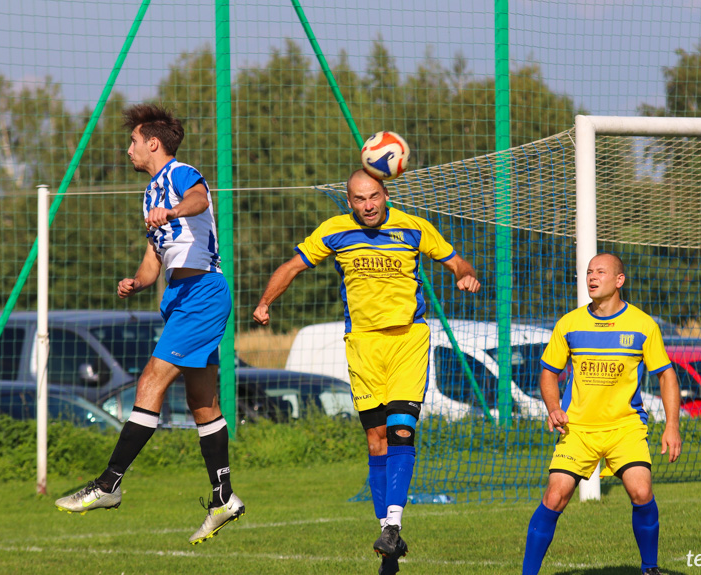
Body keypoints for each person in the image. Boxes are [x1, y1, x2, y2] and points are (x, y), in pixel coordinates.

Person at [253, 169, 480, 575]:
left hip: (408, 339)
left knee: (401, 429)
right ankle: (388, 543)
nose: (368, 205)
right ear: (350, 201)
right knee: (376, 441)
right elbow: (291, 267)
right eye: (359, 199)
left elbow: (455, 258)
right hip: (362, 344)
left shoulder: (413, 227)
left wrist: (463, 272)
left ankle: (393, 525)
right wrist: (266, 301)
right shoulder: (334, 232)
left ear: (386, 194)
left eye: (374, 196)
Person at [55, 104, 245, 545]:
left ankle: (108, 484)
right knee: (202, 403)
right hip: (180, 298)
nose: (128, 150)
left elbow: (199, 198)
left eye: (134, 142)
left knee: (149, 383)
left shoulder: (180, 174)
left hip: (203, 295)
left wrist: (175, 212)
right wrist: (136, 283)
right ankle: (223, 499)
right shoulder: (149, 194)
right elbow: (153, 261)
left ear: (153, 143)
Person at [522, 253, 682, 575]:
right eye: (589, 272)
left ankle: (650, 569)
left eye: (601, 272)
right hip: (578, 429)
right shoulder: (569, 324)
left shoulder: (642, 325)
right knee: (554, 496)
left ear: (619, 280)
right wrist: (554, 408)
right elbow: (548, 372)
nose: (592, 277)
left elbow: (666, 375)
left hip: (625, 427)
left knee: (641, 491)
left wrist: (672, 426)